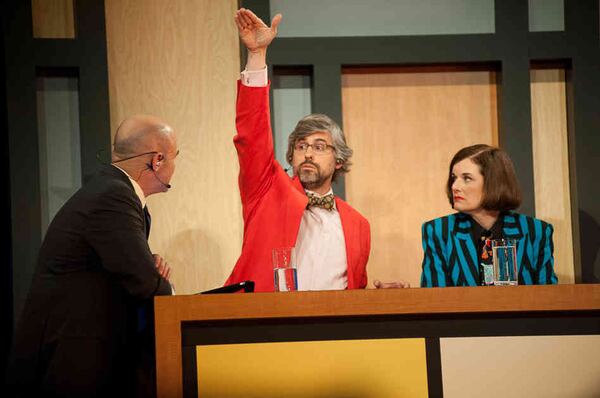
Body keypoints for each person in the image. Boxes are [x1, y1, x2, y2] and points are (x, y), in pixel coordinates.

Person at [6, 115, 179, 397]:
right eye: (175, 156)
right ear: (157, 160)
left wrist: (147, 268)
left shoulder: (112, 191)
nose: (175, 166)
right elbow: (144, 282)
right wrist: (167, 290)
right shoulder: (114, 197)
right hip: (69, 362)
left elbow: (125, 266)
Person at [226, 8, 371, 292]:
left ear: (338, 160)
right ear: (290, 156)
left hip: (330, 332)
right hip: (262, 327)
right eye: (300, 146)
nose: (307, 153)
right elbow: (251, 135)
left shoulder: (359, 225)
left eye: (319, 147)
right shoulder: (267, 190)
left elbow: (356, 292)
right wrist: (257, 55)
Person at [420, 144, 558, 287]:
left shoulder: (535, 231)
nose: (454, 186)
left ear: (494, 182)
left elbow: (549, 298)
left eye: (466, 178)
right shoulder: (439, 231)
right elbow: (434, 297)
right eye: (454, 178)